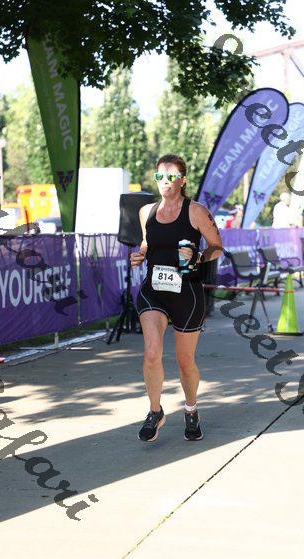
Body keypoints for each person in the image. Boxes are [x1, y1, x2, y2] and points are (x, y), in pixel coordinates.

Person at [130, 154, 223, 443]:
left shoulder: (196, 211)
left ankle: (191, 409)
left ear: (182, 180)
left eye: (171, 177)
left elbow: (217, 246)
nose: (165, 182)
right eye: (160, 176)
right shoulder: (146, 212)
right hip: (154, 291)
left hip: (187, 293)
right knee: (151, 353)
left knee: (185, 361)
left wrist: (198, 256)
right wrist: (140, 254)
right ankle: (155, 411)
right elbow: (148, 241)